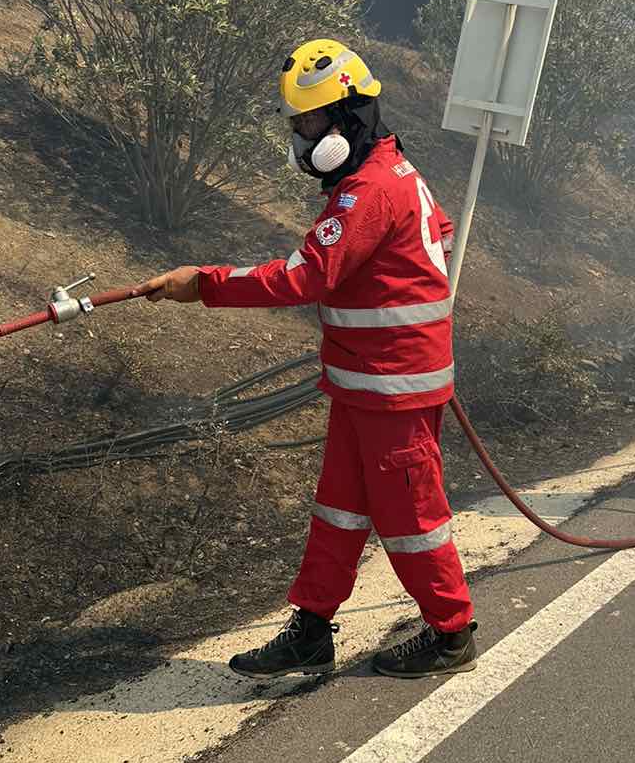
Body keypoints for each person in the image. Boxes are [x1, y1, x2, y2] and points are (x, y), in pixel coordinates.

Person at [134, 38, 478, 678]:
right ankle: (312, 629)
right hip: (366, 385)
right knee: (339, 510)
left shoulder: (367, 192)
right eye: (296, 123)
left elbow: (302, 277)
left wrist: (202, 283)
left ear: (348, 116)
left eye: (309, 121)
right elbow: (437, 235)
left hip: (394, 390)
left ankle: (452, 633)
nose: (301, 137)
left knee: (411, 518)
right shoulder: (392, 172)